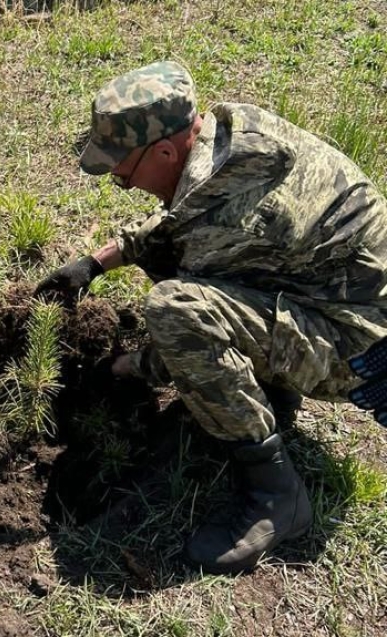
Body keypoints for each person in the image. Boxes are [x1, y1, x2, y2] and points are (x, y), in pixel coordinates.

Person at [36, 60, 387, 574]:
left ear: (163, 150)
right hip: (329, 292)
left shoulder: (226, 223)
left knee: (175, 308)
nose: (125, 186)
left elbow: (186, 324)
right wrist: (95, 262)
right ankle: (272, 387)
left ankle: (277, 497)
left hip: (358, 348)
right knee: (173, 264)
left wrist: (125, 368)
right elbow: (180, 214)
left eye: (123, 175)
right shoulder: (229, 130)